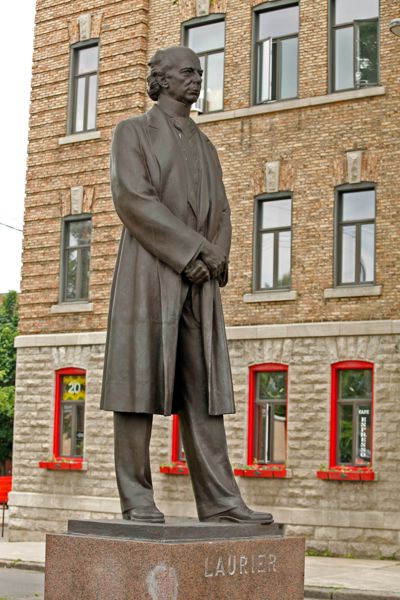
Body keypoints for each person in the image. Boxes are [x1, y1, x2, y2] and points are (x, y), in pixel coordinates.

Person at [100, 45, 273, 525]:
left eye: (199, 71)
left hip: (200, 284)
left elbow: (223, 211)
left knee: (203, 391)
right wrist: (194, 250)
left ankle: (220, 502)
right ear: (161, 80)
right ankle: (136, 498)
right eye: (186, 71)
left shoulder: (207, 145)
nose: (196, 78)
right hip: (149, 274)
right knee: (136, 388)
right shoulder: (133, 132)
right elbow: (133, 199)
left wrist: (213, 258)